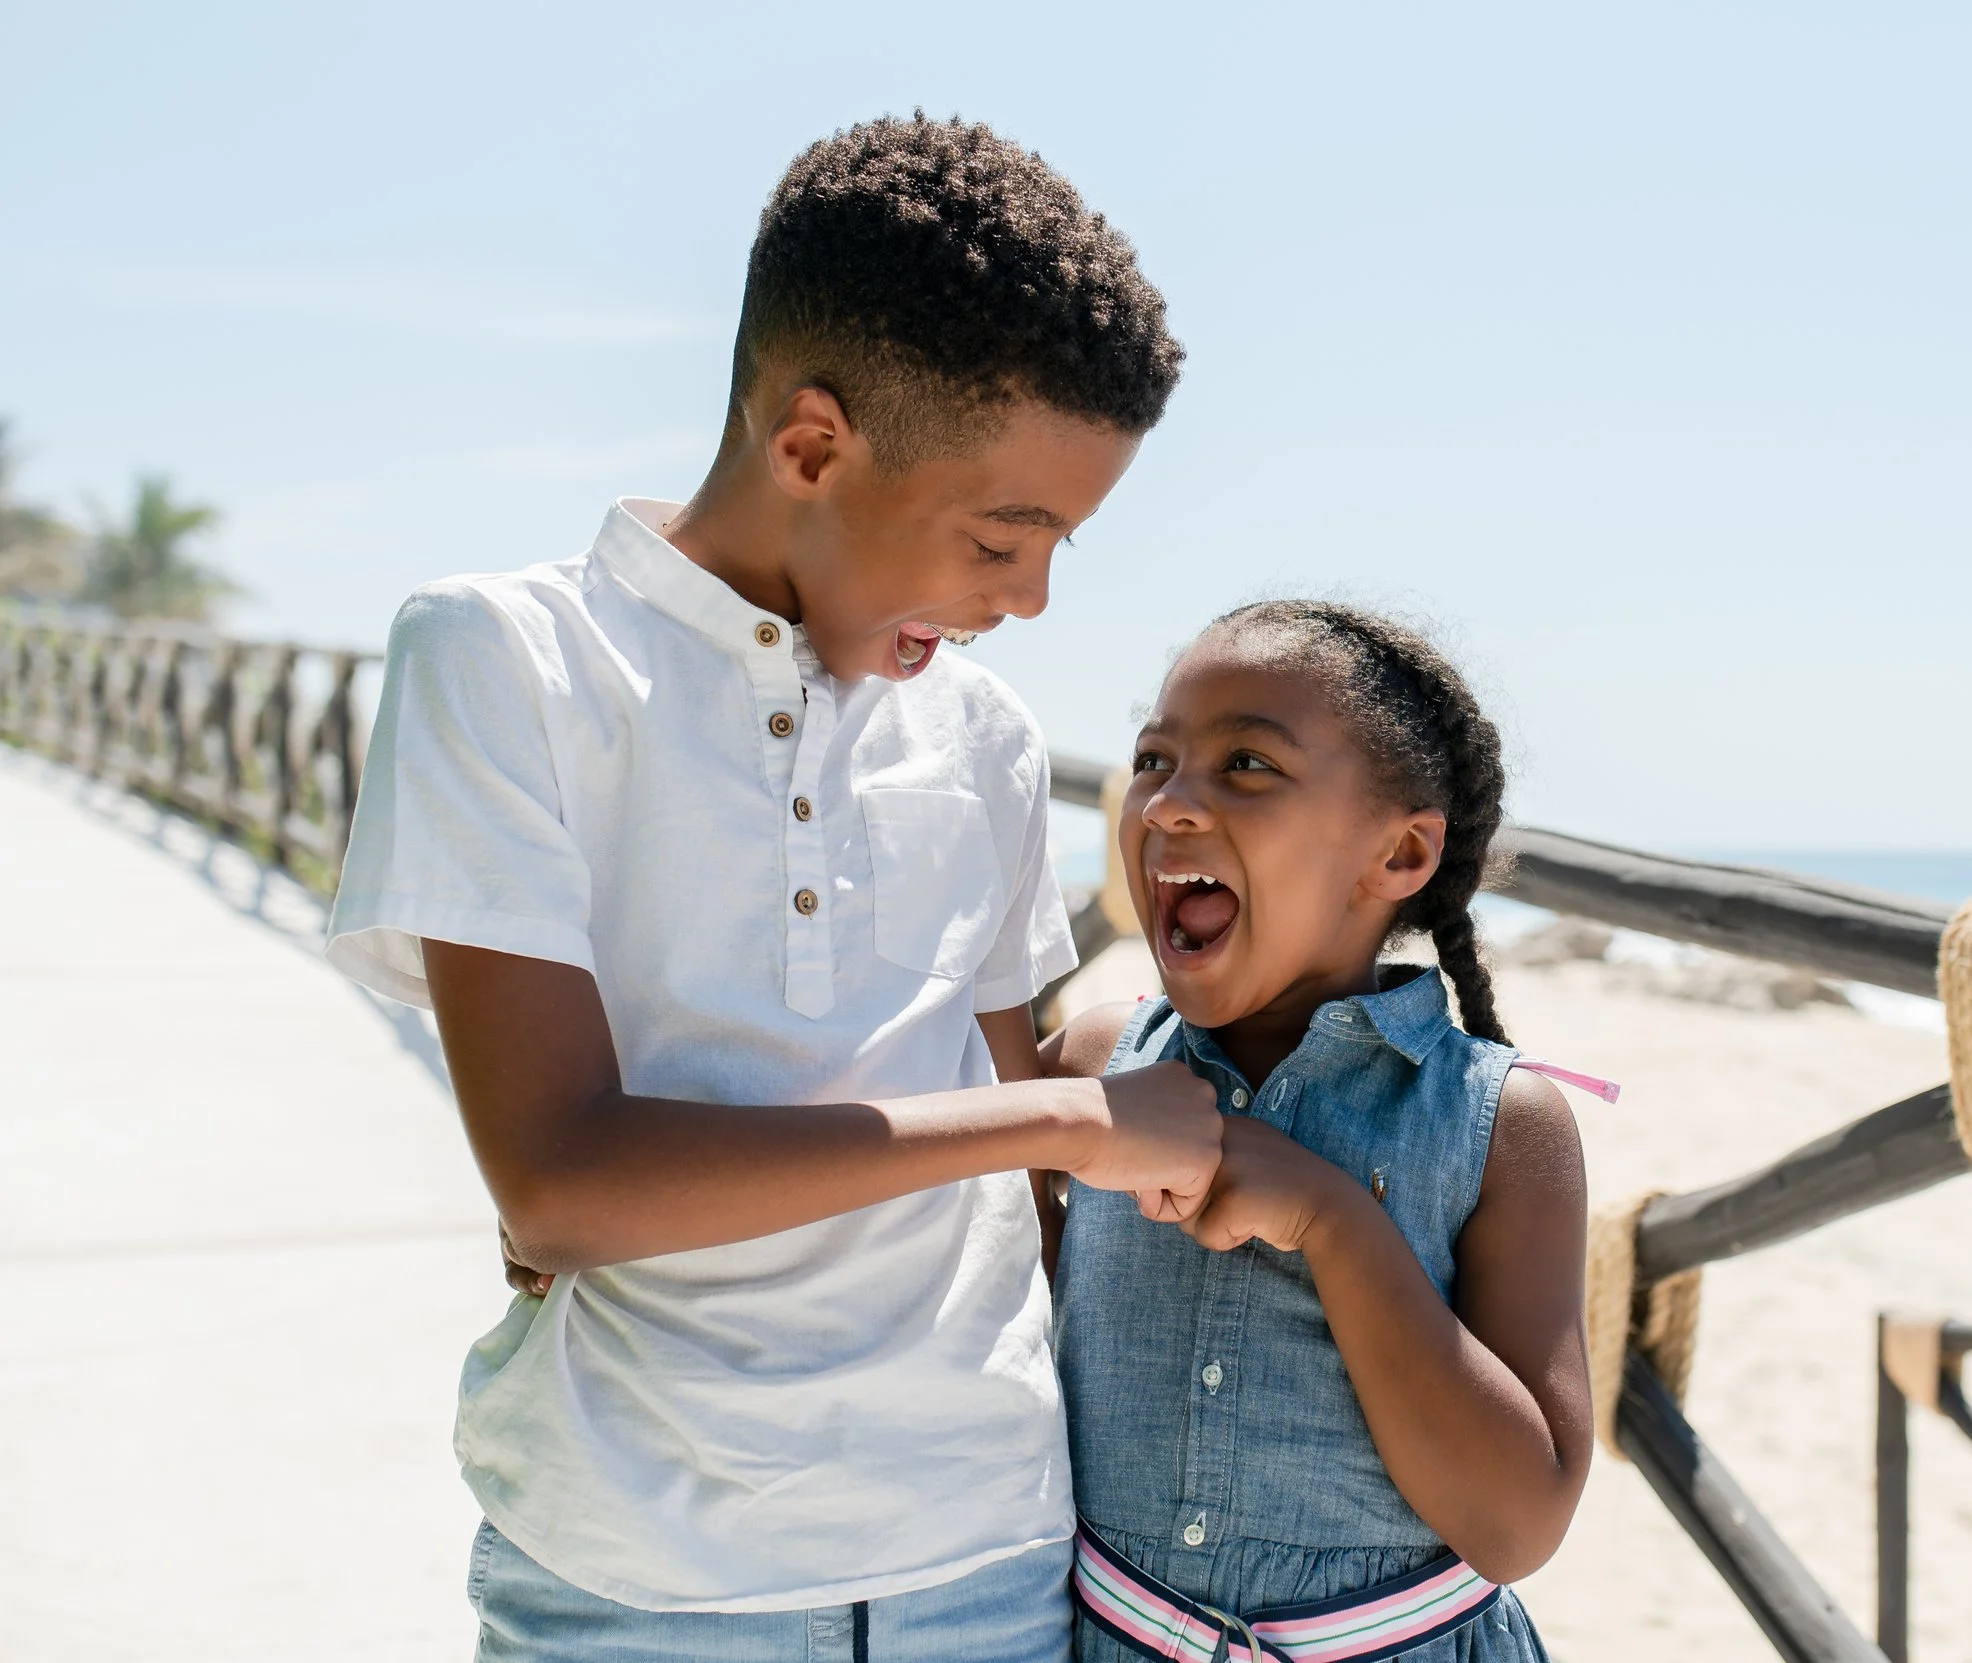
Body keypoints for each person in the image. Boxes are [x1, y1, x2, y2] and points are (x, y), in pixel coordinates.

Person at [323, 115, 1223, 1662]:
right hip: (634, 1581)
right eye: (1002, 536)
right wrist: (1072, 1118)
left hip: (991, 1562)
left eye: (1059, 546)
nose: (1029, 596)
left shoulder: (988, 735)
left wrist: (1082, 1094)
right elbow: (561, 1185)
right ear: (810, 444)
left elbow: (1015, 1172)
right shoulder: (510, 659)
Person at [1042, 602, 1594, 1663]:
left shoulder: (1500, 1124)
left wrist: (1335, 1223)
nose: (1168, 800)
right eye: (1153, 759)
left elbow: (1518, 1526)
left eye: (1247, 763)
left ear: (1400, 852)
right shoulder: (1095, 1066)